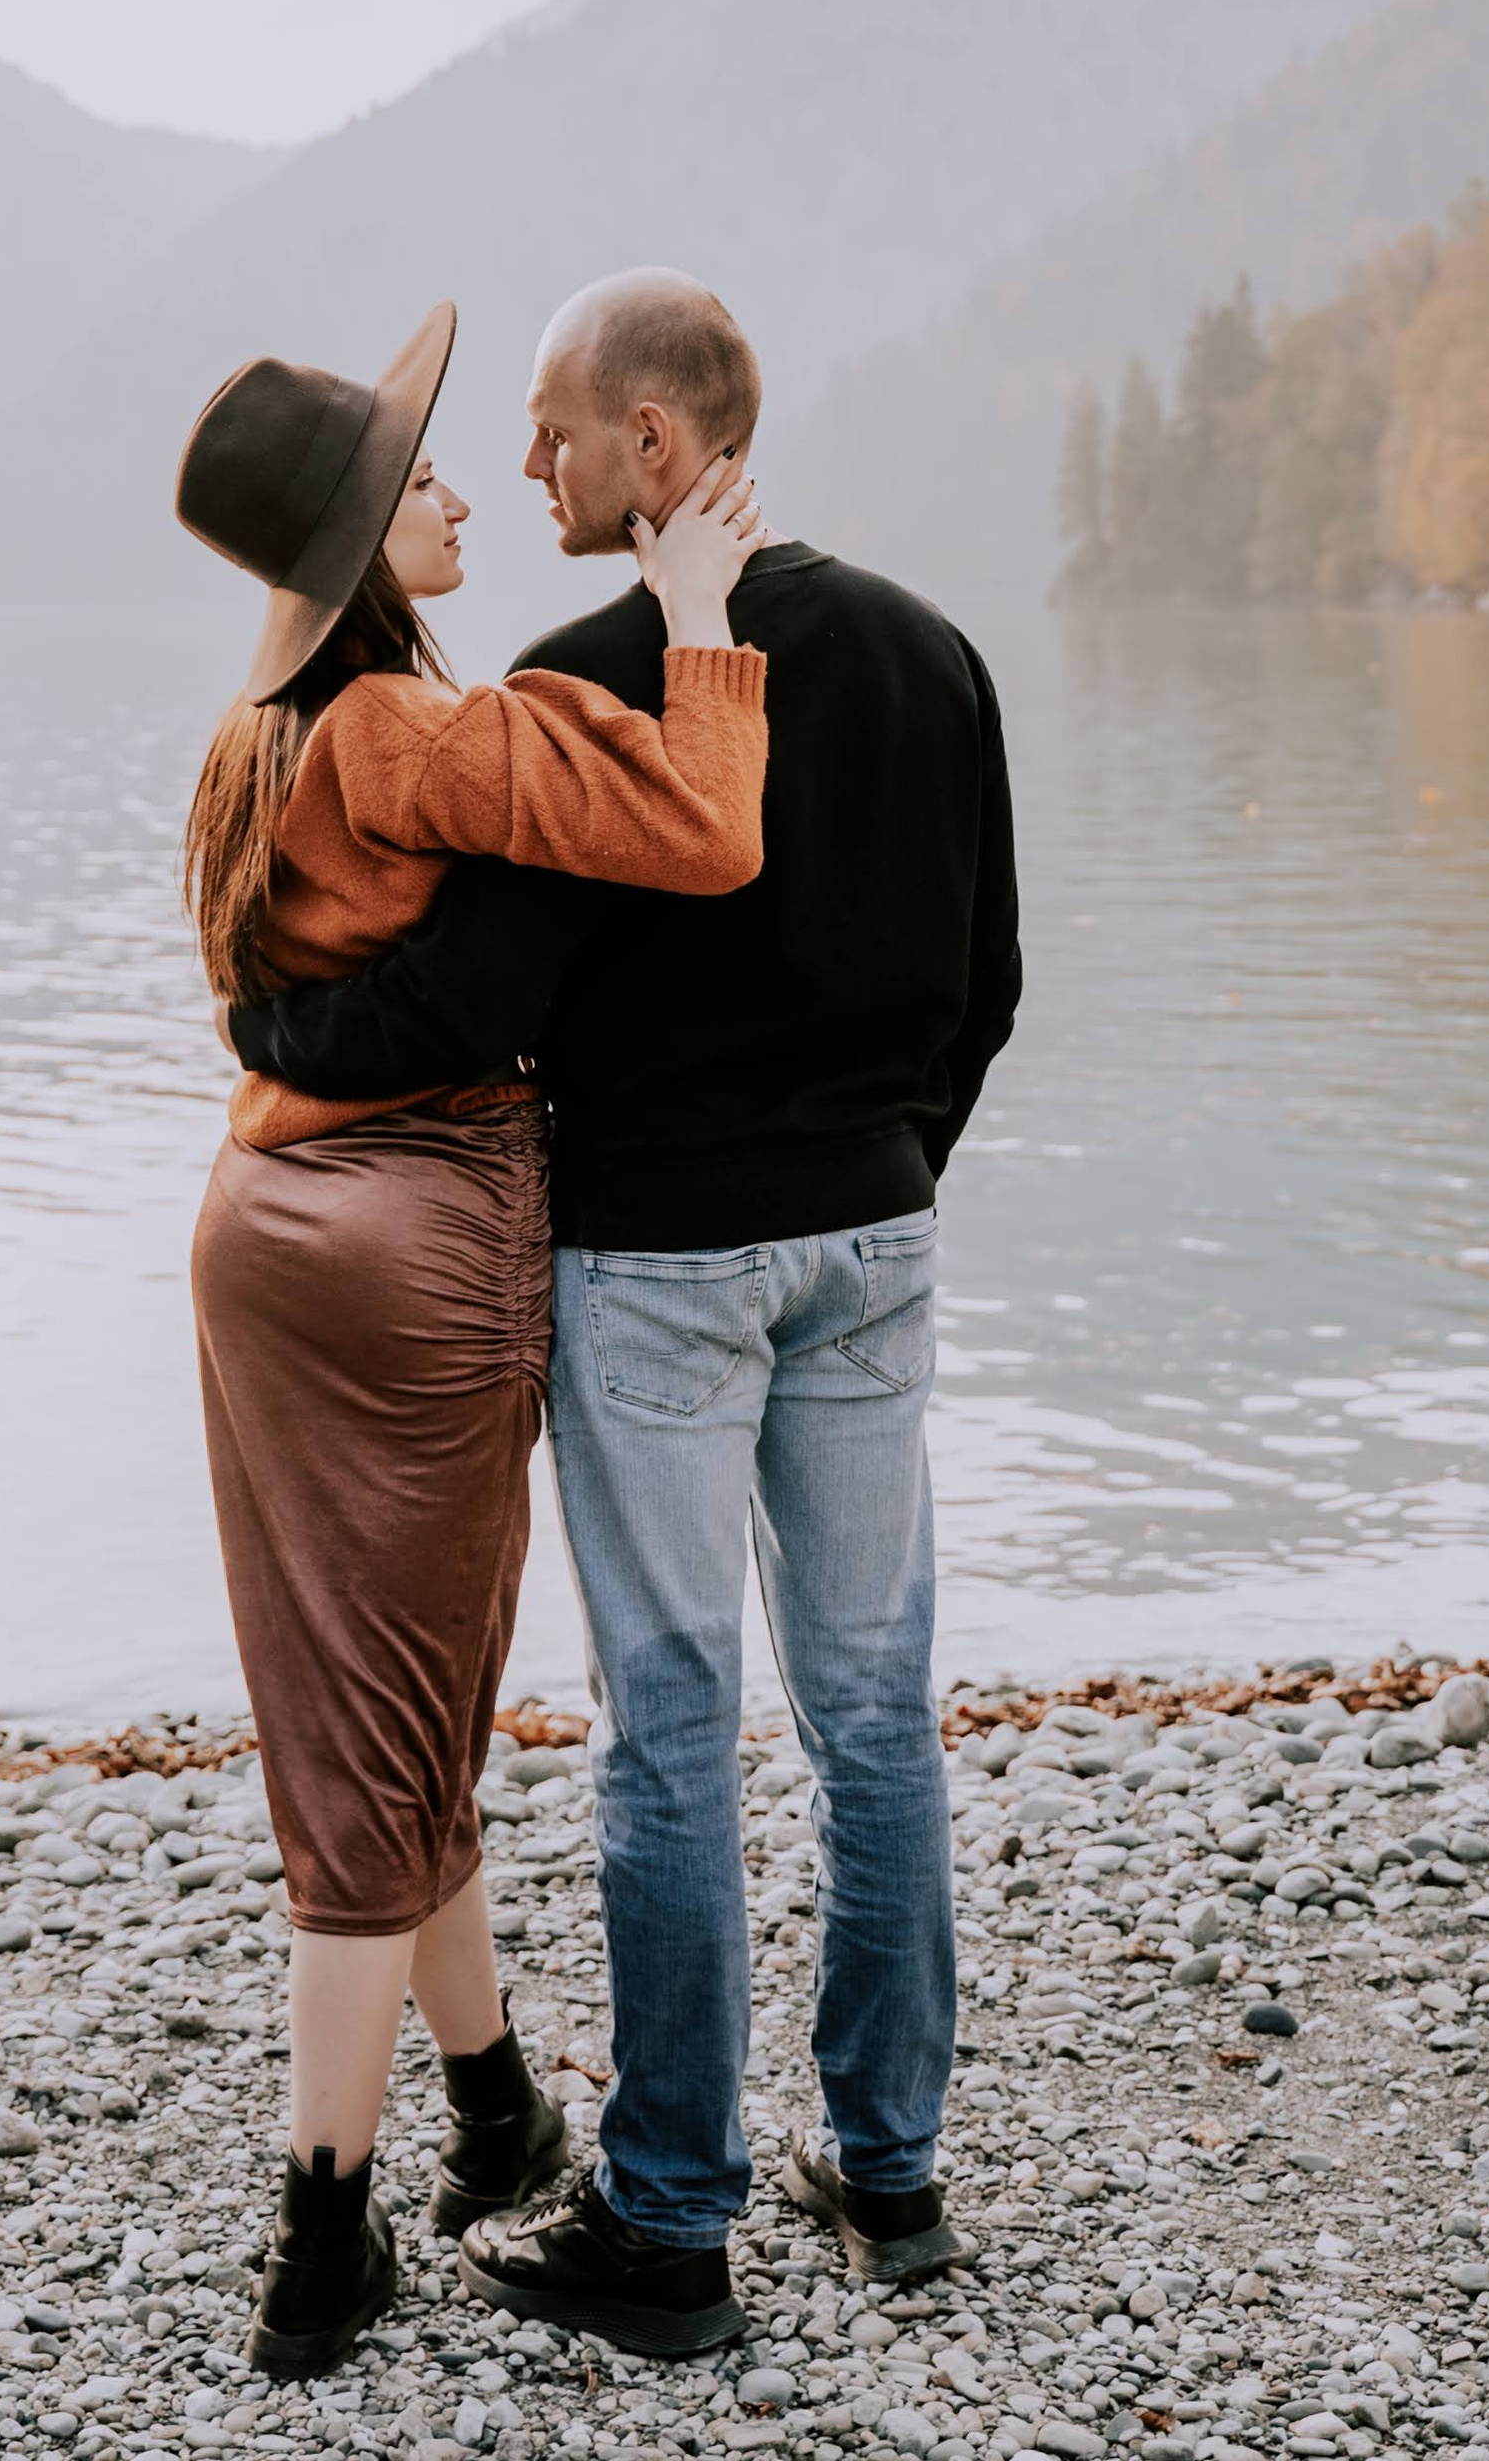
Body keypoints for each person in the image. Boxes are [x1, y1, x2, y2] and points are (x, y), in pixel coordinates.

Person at [228, 268, 1022, 2358]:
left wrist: (274, 1019)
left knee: (669, 1734)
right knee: (875, 1709)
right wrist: (888, 1164)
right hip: (873, 1242)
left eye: (560, 427)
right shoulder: (935, 654)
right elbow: (988, 973)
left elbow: (465, 1002)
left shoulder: (595, 674)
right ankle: (893, 2165)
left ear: (657, 446)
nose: (527, 456)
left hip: (658, 1262)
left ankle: (668, 2220)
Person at [172, 297, 771, 2382]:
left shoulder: (251, 743)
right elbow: (705, 823)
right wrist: (698, 616)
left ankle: (493, 2094)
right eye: (409, 473)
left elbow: (272, 998)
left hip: (260, 1231)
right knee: (382, 1740)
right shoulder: (408, 730)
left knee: (369, 1703)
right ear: (354, 546)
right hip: (413, 1249)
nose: (450, 486)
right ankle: (318, 2236)